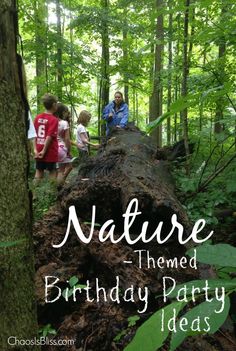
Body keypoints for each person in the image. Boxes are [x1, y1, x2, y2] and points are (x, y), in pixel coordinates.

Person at [34, 93, 58, 181]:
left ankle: (34, 193)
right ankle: (51, 194)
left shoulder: (37, 117)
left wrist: (35, 149)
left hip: (38, 150)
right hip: (49, 151)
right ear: (54, 105)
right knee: (52, 172)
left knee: (39, 172)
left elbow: (34, 134)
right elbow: (49, 136)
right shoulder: (54, 119)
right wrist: (44, 151)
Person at [54, 103, 73, 184]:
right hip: (61, 148)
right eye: (65, 112)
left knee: (54, 171)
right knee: (61, 171)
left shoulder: (51, 121)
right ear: (61, 112)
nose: (66, 114)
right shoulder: (64, 123)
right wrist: (68, 151)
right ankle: (59, 189)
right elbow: (67, 139)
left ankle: (52, 189)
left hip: (52, 148)